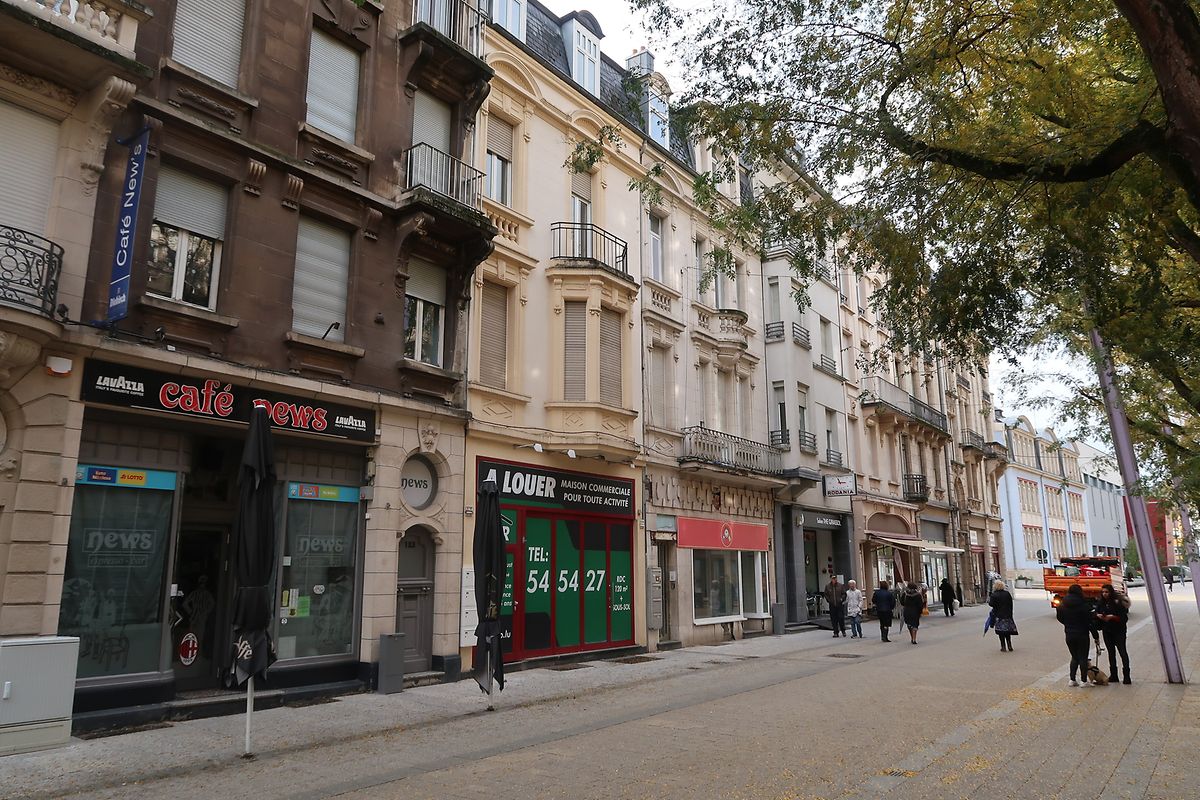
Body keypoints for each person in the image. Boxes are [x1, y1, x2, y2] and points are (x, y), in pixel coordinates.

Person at [1057, 583, 1094, 686]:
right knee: (1083, 657)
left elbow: (1059, 617)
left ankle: (1072, 680)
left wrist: (1067, 624)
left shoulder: (1063, 604)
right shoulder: (1083, 605)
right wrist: (1095, 635)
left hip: (1069, 634)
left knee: (1074, 657)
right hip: (1082, 634)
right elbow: (1089, 621)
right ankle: (1083, 681)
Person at [1095, 583, 1132, 684]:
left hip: (1119, 630)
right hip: (1107, 631)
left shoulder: (1118, 602)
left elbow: (1124, 618)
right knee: (1111, 653)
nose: (1104, 594)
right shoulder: (1101, 603)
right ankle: (1114, 675)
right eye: (1103, 592)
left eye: (1106, 592)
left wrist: (1112, 617)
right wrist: (1099, 616)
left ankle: (1127, 676)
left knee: (1122, 652)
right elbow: (1096, 613)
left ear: (1111, 592)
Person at [988, 579, 1017, 652]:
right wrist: (1010, 613)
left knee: (1001, 631)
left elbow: (991, 604)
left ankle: (1003, 646)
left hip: (999, 615)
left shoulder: (994, 595)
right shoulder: (1007, 594)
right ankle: (1009, 645)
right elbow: (1011, 603)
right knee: (1007, 631)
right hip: (1007, 615)